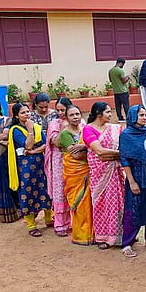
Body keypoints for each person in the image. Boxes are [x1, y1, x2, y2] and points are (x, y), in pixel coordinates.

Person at [82, 101, 124, 249]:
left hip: (116, 171)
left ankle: (120, 235)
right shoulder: (88, 130)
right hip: (99, 173)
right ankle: (103, 237)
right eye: (107, 112)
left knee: (119, 202)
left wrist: (114, 155)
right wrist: (121, 154)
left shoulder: (115, 128)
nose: (110, 114)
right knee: (101, 204)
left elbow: (121, 145)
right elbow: (99, 151)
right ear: (98, 114)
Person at [8, 102, 53, 236]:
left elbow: (46, 145)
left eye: (27, 111)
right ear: (16, 115)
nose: (26, 114)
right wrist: (30, 130)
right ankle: (31, 225)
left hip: (40, 164)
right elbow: (27, 145)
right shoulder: (15, 130)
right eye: (23, 112)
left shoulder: (37, 127)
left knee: (44, 190)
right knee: (28, 193)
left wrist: (34, 152)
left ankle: (48, 218)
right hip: (25, 167)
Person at [120, 105, 146, 258]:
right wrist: (132, 181)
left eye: (145, 115)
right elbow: (124, 159)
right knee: (132, 210)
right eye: (141, 115)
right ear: (133, 116)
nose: (144, 118)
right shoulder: (126, 134)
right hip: (135, 176)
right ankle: (127, 243)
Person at [58, 104, 93, 246]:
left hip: (88, 171)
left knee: (89, 203)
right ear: (66, 117)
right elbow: (76, 155)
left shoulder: (85, 129)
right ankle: (81, 235)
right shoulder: (65, 134)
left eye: (77, 114)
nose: (75, 117)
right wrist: (92, 150)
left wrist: (86, 147)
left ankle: (93, 234)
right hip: (75, 172)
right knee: (80, 204)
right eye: (72, 115)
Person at [44, 97, 72, 236]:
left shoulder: (79, 120)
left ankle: (75, 222)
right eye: (58, 110)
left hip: (76, 161)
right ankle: (61, 223)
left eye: (63, 110)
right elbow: (56, 142)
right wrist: (66, 128)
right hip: (58, 160)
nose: (60, 113)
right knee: (60, 191)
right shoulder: (54, 123)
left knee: (73, 190)